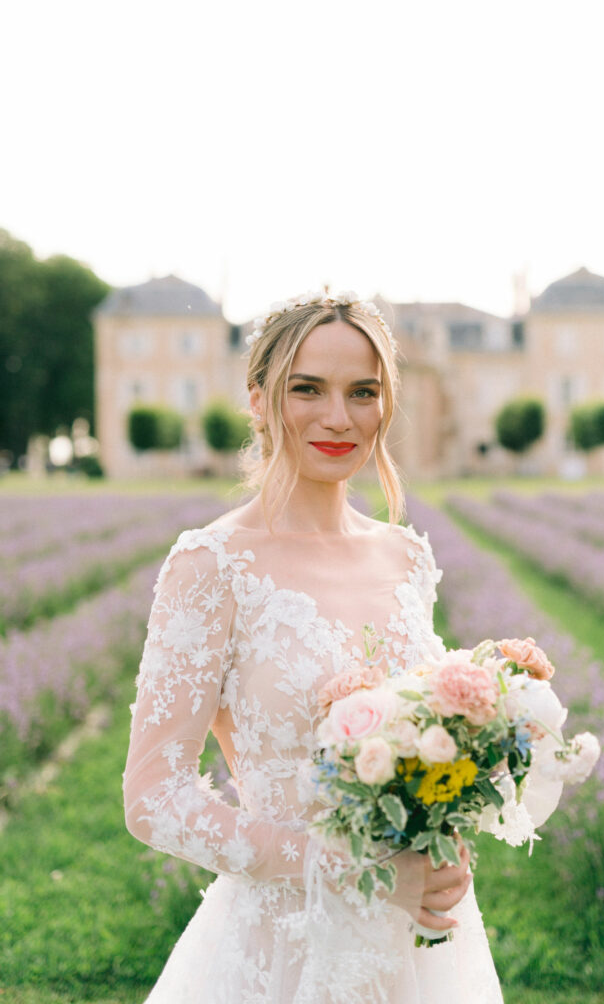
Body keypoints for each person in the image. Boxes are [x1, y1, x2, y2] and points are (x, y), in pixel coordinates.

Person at [123, 291, 503, 1003]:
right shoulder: (212, 565)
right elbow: (152, 797)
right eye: (308, 389)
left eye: (363, 391)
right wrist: (339, 866)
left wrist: (445, 847)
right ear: (259, 399)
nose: (339, 417)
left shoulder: (406, 558)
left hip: (421, 942)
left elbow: (425, 749)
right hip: (284, 942)